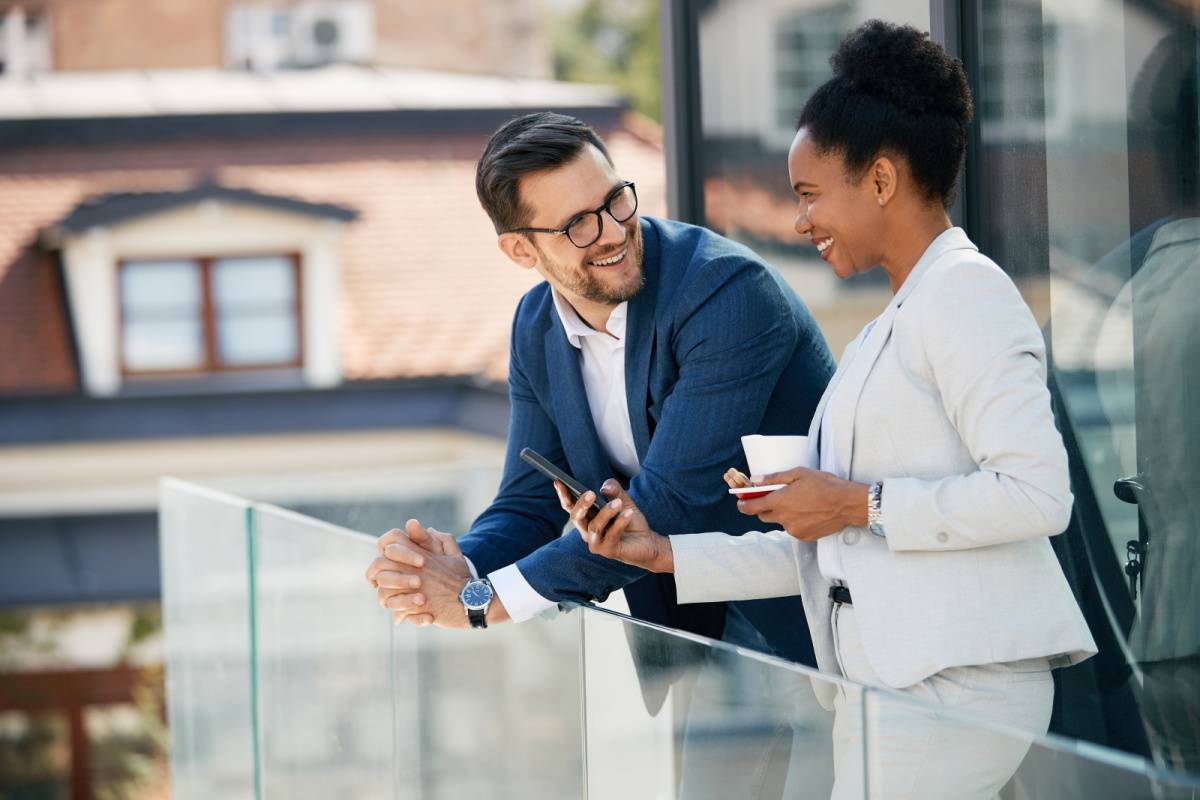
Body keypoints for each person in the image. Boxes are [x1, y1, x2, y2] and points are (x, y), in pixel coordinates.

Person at [564, 21, 1098, 800]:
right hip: (895, 687)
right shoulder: (895, 321)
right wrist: (664, 554)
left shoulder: (968, 295)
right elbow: (830, 549)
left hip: (956, 687)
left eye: (811, 195)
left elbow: (1038, 493)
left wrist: (853, 501)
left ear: (880, 181)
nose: (800, 221)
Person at [364, 111, 836, 797]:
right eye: (578, 224)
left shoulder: (728, 295)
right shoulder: (535, 326)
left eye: (616, 201)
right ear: (521, 252)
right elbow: (526, 505)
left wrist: (477, 600)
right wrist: (453, 565)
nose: (614, 232)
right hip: (689, 646)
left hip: (808, 631)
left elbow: (669, 503)